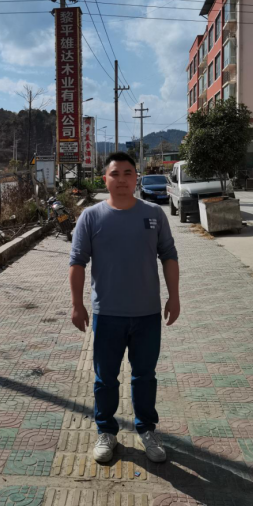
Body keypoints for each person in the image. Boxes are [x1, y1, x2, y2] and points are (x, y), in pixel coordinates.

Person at [69, 152, 180, 463]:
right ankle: (106, 431)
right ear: (105, 179)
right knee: (105, 378)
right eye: (115, 174)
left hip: (147, 314)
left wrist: (174, 296)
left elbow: (169, 256)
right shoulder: (91, 216)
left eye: (128, 173)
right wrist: (77, 305)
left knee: (145, 376)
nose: (121, 179)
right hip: (107, 315)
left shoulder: (154, 214)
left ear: (136, 178)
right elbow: (77, 262)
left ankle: (147, 430)